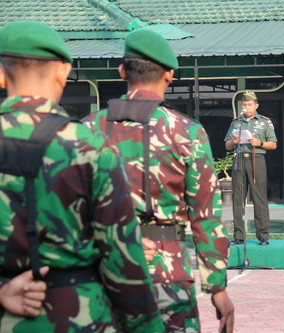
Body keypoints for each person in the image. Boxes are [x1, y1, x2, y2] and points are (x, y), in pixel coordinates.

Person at [0, 21, 163, 332]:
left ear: (0, 73)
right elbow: (121, 256)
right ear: (64, 71)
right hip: (81, 315)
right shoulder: (91, 146)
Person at [82, 29, 234, 333]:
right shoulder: (187, 132)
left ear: (122, 71)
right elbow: (205, 217)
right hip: (169, 274)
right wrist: (217, 287)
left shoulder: (85, 130)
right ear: (170, 74)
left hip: (105, 271)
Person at [224, 91, 278, 246]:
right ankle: (239, 236)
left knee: (259, 198)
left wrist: (259, 143)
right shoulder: (236, 123)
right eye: (244, 105)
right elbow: (227, 145)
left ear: (256, 106)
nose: (246, 108)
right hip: (239, 159)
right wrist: (233, 142)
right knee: (238, 199)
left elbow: (273, 144)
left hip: (257, 159)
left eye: (249, 105)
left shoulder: (264, 122)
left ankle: (263, 235)